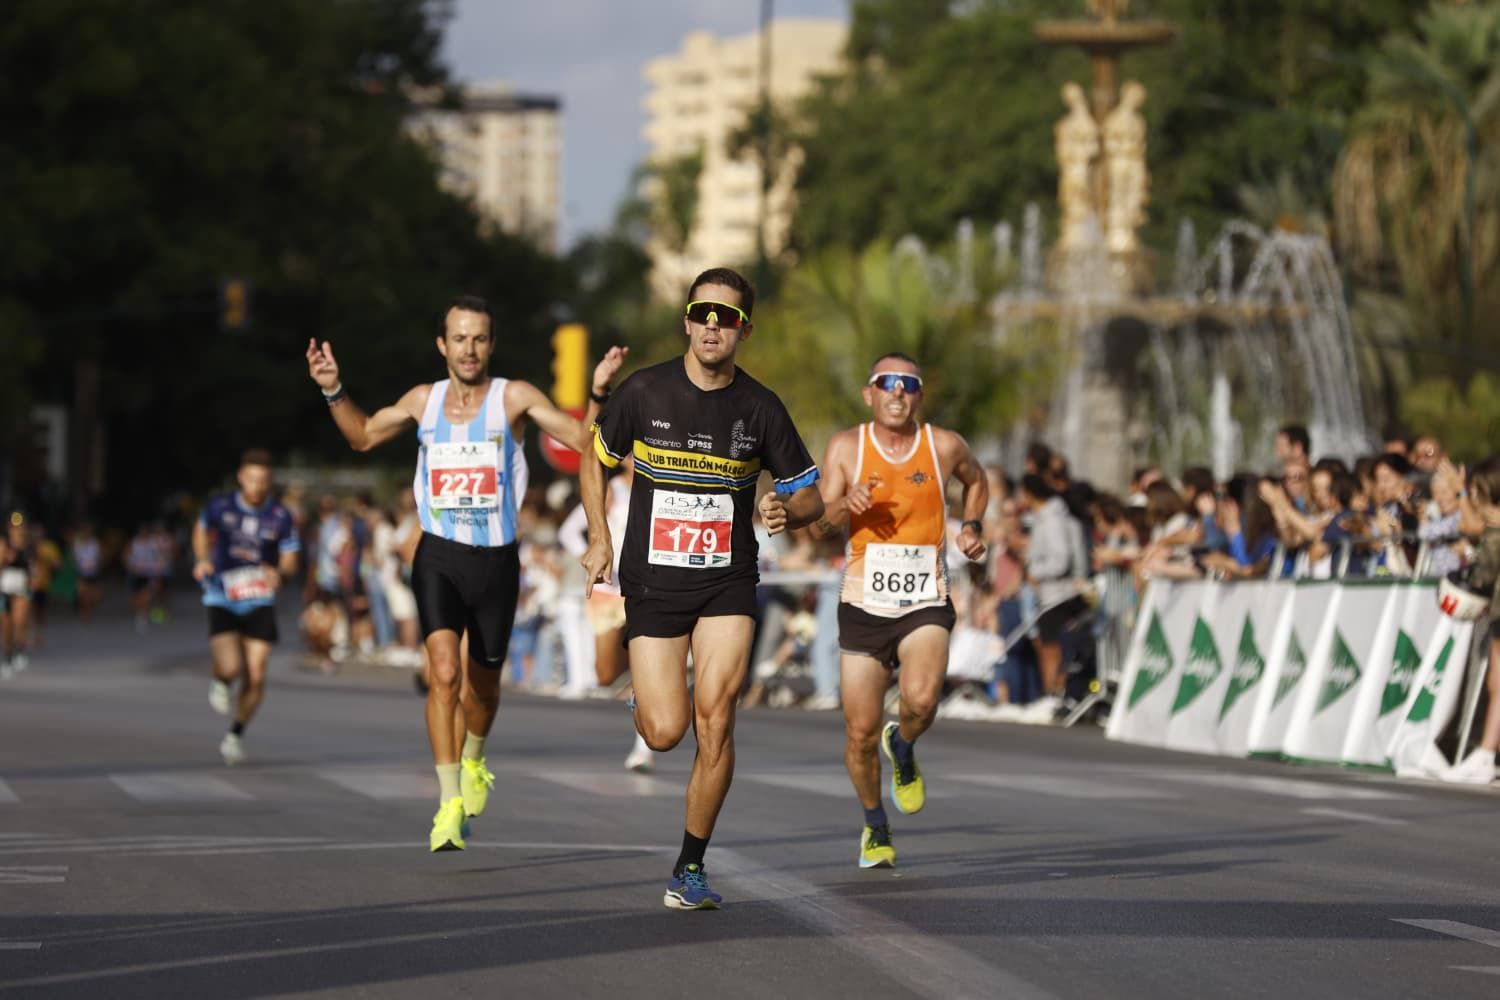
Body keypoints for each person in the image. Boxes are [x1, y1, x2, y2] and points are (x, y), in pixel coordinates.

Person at [307, 293, 624, 853]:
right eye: (459, 338)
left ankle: (475, 755)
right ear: (442, 345)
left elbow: (583, 443)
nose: (469, 348)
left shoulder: (515, 398)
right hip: (439, 556)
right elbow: (361, 436)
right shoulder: (422, 402)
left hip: (497, 560)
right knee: (444, 674)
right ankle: (448, 800)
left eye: (479, 338)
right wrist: (334, 388)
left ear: (491, 344)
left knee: (482, 688)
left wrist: (597, 393)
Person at [579, 267, 823, 909]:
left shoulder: (761, 407)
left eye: (729, 317)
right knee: (665, 732)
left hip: (728, 582)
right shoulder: (644, 392)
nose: (714, 325)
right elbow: (593, 459)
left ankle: (690, 867)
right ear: (687, 321)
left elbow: (811, 498)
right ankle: (646, 698)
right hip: (654, 582)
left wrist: (783, 511)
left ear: (745, 329)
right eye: (703, 313)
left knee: (716, 716)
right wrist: (600, 538)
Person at [808, 353, 987, 869]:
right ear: (869, 394)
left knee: (923, 699)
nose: (897, 391)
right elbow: (819, 523)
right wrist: (847, 507)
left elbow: (978, 482)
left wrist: (972, 526)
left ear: (918, 396)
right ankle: (874, 824)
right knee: (860, 734)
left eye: (908, 384)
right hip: (863, 603)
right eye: (886, 383)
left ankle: (904, 745)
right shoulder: (847, 447)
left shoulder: (944, 445)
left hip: (924, 598)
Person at [192, 448, 302, 765]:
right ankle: (221, 680)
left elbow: (291, 560)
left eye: (263, 481)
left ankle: (235, 734)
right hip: (223, 594)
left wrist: (279, 573)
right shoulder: (220, 506)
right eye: (251, 479)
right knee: (231, 667)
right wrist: (202, 559)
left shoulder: (280, 516)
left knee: (255, 675)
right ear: (242, 477)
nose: (257, 487)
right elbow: (201, 531)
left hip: (259, 597)